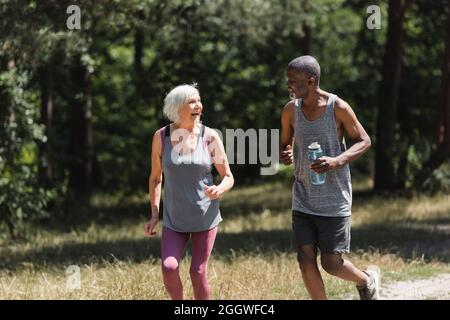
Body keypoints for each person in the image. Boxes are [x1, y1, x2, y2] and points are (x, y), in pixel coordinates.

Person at [280, 55, 380, 300]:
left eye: (293, 81)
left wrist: (337, 160)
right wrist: (285, 153)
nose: (289, 86)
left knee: (331, 263)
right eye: (288, 81)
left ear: (311, 82)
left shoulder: (338, 108)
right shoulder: (290, 110)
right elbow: (284, 144)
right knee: (304, 258)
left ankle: (367, 281)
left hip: (334, 198)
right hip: (303, 195)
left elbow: (364, 140)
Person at [144, 84, 234, 300]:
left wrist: (220, 188)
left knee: (198, 271)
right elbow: (156, 178)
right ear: (177, 108)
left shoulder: (209, 136)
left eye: (199, 100)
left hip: (205, 216)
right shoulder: (161, 137)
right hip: (175, 218)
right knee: (169, 267)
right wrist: (155, 214)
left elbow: (228, 176)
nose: (198, 105)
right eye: (192, 102)